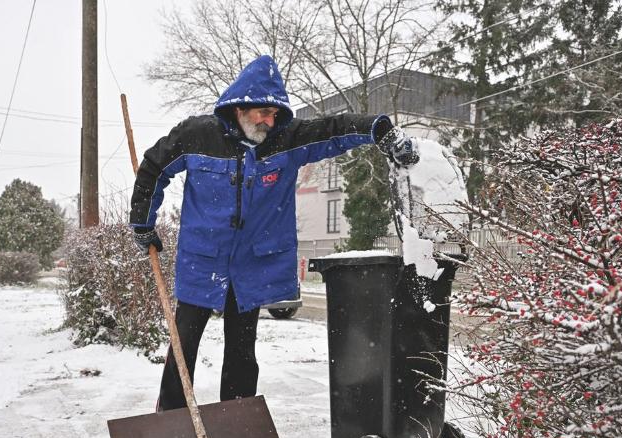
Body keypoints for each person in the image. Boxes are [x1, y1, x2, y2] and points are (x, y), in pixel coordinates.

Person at [130, 55, 419, 411]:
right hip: (202, 259)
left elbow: (335, 130)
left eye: (275, 114)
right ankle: (169, 420)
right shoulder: (197, 135)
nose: (270, 121)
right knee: (183, 344)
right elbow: (153, 168)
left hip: (250, 264)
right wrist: (143, 223)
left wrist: (381, 132)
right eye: (264, 113)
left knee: (241, 349)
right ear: (241, 107)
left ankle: (237, 421)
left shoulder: (285, 139)